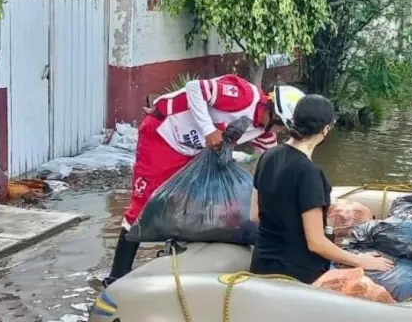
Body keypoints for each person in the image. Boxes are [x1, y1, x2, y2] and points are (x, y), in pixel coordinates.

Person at [101, 75, 306, 287]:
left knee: (188, 203)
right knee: (142, 207)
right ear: (275, 116)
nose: (279, 132)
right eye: (281, 127)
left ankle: (173, 261)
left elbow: (274, 162)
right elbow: (194, 89)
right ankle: (116, 276)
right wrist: (209, 130)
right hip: (163, 134)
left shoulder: (262, 131)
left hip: (193, 150)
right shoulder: (243, 96)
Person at [249, 94, 393, 284]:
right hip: (297, 274)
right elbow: (316, 243)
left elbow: (254, 214)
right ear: (326, 129)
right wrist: (361, 262)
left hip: (260, 266)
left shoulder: (268, 156)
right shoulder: (309, 173)